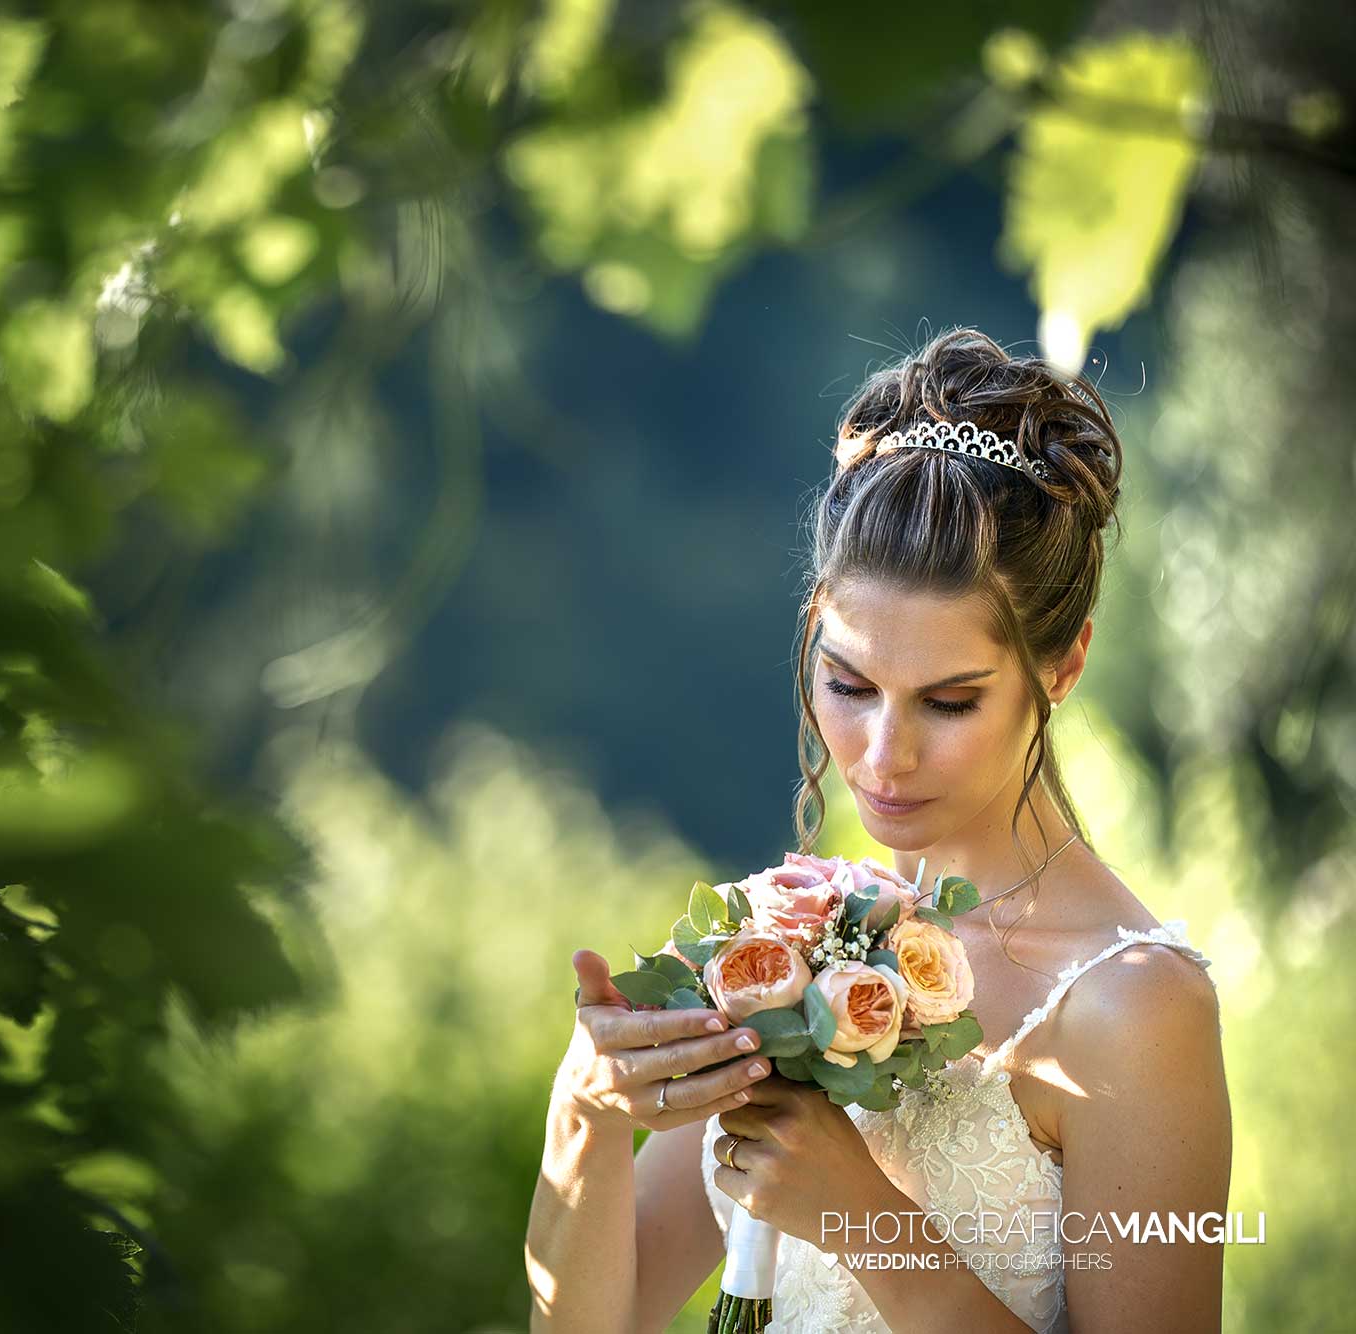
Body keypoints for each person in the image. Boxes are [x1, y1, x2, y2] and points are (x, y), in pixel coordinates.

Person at [525, 328, 1230, 1333]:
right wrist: (585, 1108)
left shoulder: (1134, 1003)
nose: (882, 753)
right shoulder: (777, 948)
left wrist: (865, 1221)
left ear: (1063, 665)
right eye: (849, 684)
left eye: (947, 702)